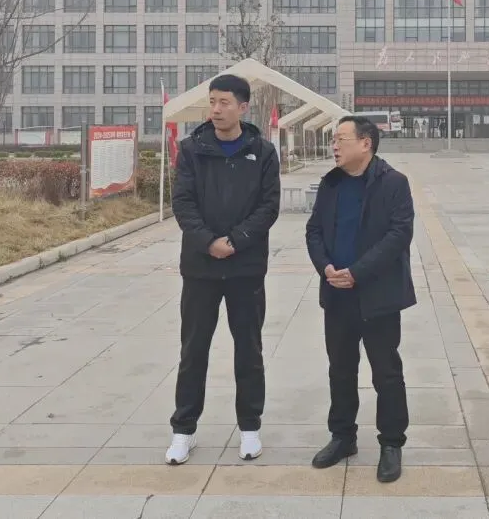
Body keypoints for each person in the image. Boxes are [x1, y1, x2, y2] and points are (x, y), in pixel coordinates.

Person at [166, 74, 280, 465]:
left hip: (246, 268)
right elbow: (182, 203)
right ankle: (183, 430)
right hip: (201, 269)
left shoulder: (262, 152)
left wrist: (236, 240)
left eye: (224, 102)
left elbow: (269, 207)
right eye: (212, 101)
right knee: (193, 350)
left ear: (243, 107)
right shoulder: (191, 149)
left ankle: (249, 428)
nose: (216, 109)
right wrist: (208, 242)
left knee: (249, 350)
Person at [305, 115, 415, 483]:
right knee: (340, 369)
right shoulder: (331, 183)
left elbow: (398, 235)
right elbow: (314, 230)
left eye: (341, 139)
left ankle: (392, 443)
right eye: (334, 140)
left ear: (365, 143)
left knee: (386, 372)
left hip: (377, 296)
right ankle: (342, 437)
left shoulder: (394, 183)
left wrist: (357, 272)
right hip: (337, 295)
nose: (334, 146)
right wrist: (325, 267)